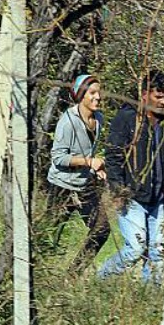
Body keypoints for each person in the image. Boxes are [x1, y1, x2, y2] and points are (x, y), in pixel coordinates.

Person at [99, 70, 164, 283]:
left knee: (157, 252)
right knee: (135, 250)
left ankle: (152, 297)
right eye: (159, 97)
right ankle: (102, 278)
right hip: (132, 196)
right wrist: (118, 190)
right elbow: (113, 155)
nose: (163, 101)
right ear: (145, 94)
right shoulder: (127, 118)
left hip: (159, 198)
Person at [45, 74, 111, 273]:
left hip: (84, 186)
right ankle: (37, 275)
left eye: (99, 92)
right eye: (92, 93)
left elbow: (88, 152)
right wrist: (88, 162)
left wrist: (96, 168)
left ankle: (73, 273)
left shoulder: (98, 119)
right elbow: (58, 157)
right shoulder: (67, 122)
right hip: (61, 187)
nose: (98, 97)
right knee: (49, 237)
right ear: (81, 95)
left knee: (101, 230)